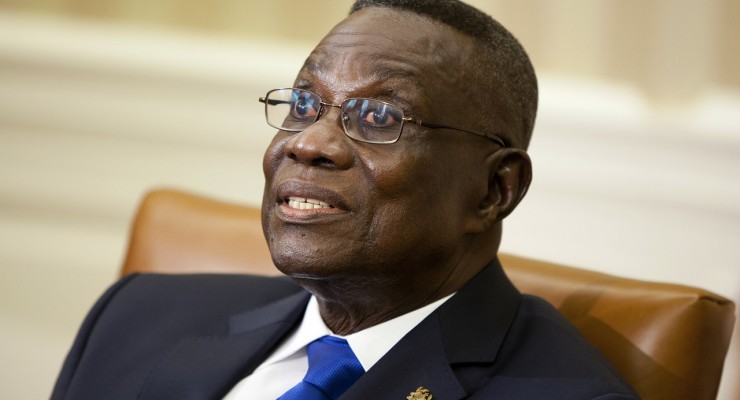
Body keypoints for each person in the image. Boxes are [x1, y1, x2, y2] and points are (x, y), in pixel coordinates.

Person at [52, 1, 639, 399]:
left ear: (494, 191)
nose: (308, 143)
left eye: (378, 117)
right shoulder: (136, 316)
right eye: (303, 104)